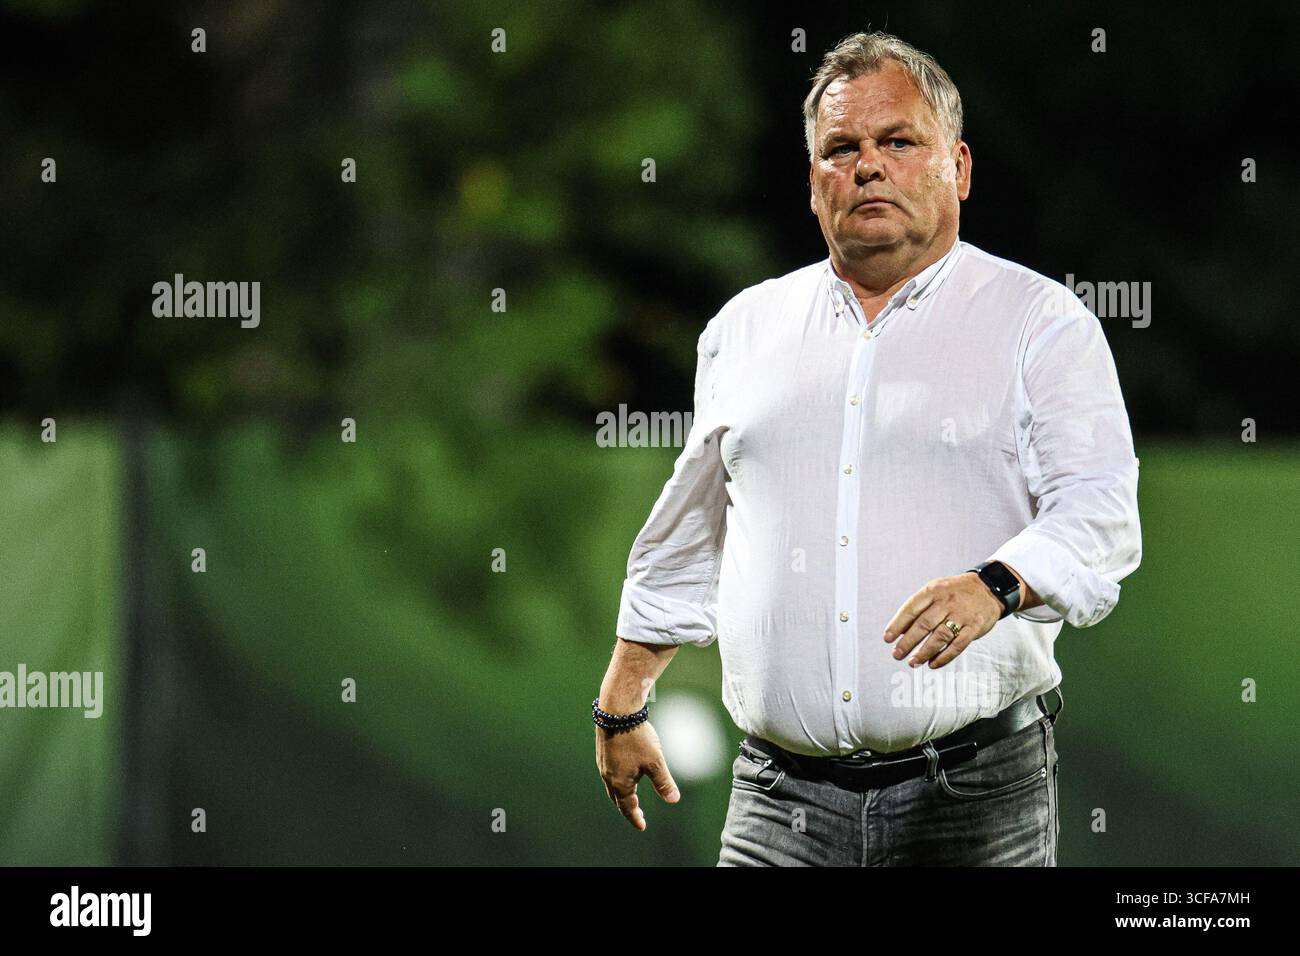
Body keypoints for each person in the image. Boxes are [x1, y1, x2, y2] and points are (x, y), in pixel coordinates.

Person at [593, 30, 1142, 866]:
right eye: (840, 148)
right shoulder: (744, 330)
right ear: (814, 185)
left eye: (897, 142)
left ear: (957, 166)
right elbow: (695, 526)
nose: (867, 166)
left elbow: (1100, 515)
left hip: (973, 792)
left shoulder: (1040, 324)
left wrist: (995, 584)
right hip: (778, 801)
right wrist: (624, 697)